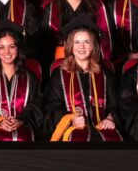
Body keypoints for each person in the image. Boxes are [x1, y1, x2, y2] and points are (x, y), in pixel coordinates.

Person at [44, 14, 123, 142]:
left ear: (94, 46)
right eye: (77, 42)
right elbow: (52, 107)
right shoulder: (59, 74)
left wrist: (110, 118)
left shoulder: (105, 74)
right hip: (71, 130)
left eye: (87, 42)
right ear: (70, 45)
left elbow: (115, 104)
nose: (81, 47)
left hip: (101, 128)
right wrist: (70, 119)